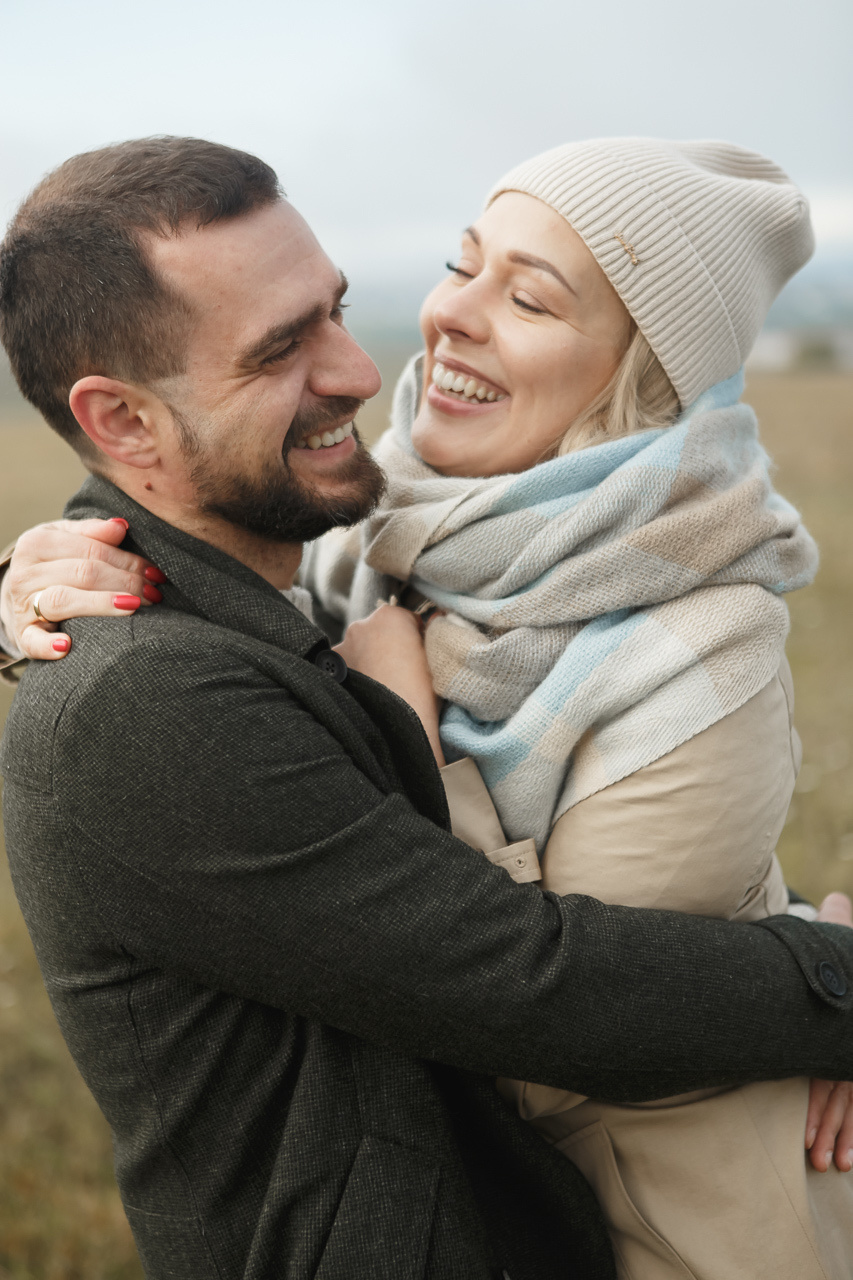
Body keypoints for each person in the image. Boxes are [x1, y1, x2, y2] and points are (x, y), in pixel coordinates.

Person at [1, 137, 852, 1280]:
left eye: (336, 312)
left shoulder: (353, 570)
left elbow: (629, 892)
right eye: (278, 351)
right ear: (124, 425)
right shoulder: (147, 698)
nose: (362, 369)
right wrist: (824, 975)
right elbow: (531, 982)